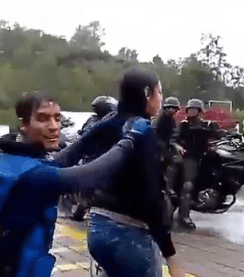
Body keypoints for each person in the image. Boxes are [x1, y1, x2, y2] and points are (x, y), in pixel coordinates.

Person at [0, 91, 148, 277]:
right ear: (24, 124)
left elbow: (60, 159)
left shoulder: (1, 155)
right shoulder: (34, 176)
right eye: (43, 118)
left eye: (57, 118)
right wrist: (131, 140)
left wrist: (102, 127)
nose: (53, 126)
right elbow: (89, 175)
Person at [85, 68, 184, 277]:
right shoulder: (143, 132)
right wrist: (170, 254)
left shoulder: (110, 123)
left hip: (96, 226)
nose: (162, 98)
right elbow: (152, 198)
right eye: (160, 91)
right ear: (148, 94)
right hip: (127, 233)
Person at [175, 98, 220, 230]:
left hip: (204, 158)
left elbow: (219, 135)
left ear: (199, 111)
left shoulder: (206, 125)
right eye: (189, 109)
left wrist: (233, 135)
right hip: (189, 158)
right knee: (188, 185)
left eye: (194, 109)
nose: (191, 111)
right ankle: (183, 216)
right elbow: (174, 139)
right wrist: (177, 146)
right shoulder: (184, 126)